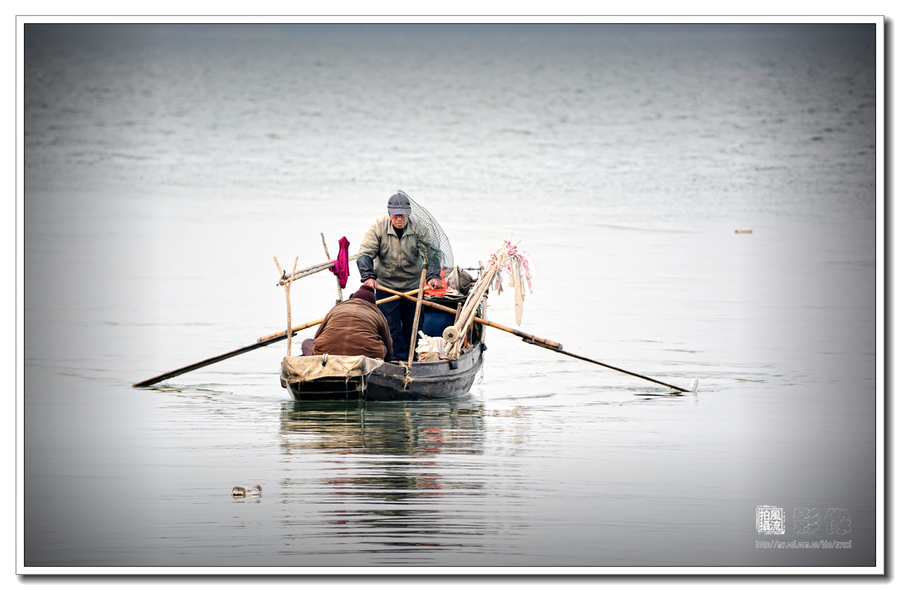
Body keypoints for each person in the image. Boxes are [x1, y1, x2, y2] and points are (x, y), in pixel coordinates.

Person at [356, 191, 444, 362]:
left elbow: (432, 254)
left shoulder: (419, 227)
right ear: (389, 214)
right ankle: (396, 360)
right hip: (386, 285)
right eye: (396, 215)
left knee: (414, 325)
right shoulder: (378, 226)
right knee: (390, 327)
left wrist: (433, 277)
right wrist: (368, 276)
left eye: (403, 215)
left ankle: (412, 357)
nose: (399, 219)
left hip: (413, 285)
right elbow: (365, 254)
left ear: (408, 214)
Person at [302, 284, 393, 360]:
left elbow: (317, 336)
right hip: (363, 356)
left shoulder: (336, 309)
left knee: (307, 343)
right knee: (383, 349)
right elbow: (388, 348)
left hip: (327, 354)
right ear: (373, 303)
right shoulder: (377, 313)